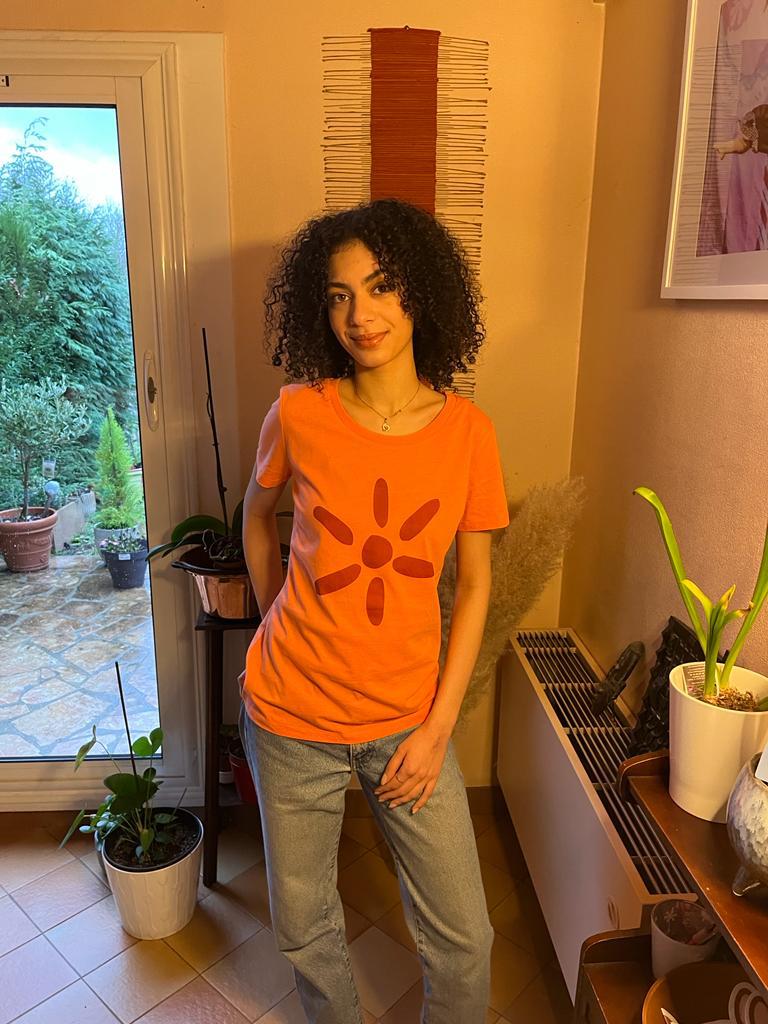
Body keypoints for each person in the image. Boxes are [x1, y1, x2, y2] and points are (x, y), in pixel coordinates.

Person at [240, 197, 509, 1024]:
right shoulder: (299, 412)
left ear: (421, 291)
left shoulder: (468, 433)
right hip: (290, 719)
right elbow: (255, 517)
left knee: (465, 940)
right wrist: (271, 619)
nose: (361, 314)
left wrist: (437, 728)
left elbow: (475, 586)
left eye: (382, 285)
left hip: (406, 725)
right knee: (306, 929)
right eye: (339, 295)